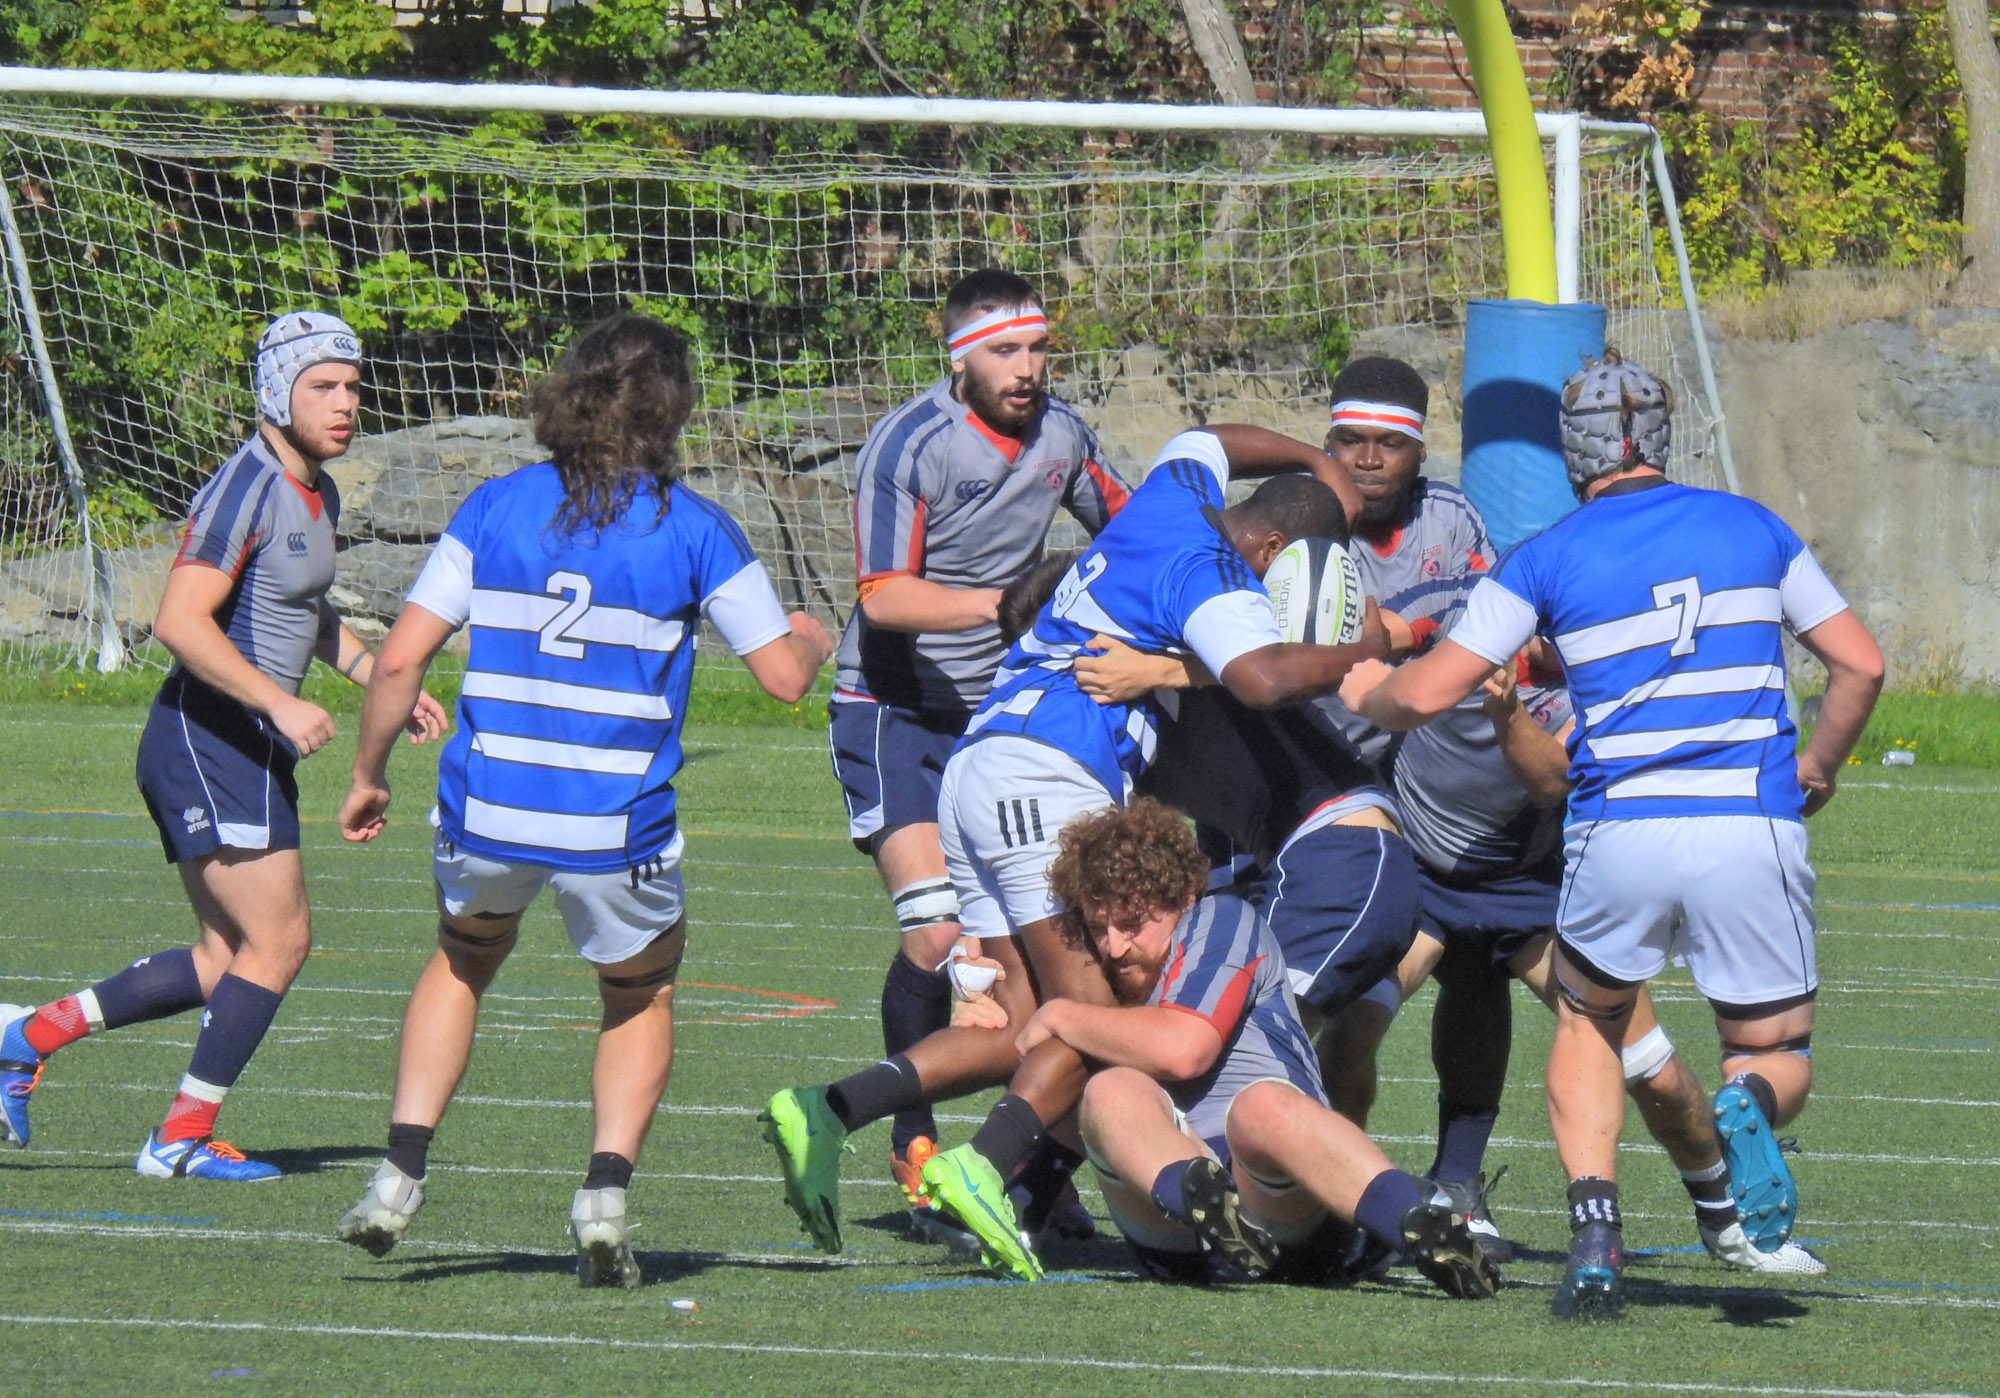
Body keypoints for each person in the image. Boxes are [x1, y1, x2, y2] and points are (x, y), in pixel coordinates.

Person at [764, 424, 1383, 1281]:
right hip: (1054, 776)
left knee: (1023, 1026)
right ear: (1273, 547)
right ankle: (983, 1165)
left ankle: (829, 1108)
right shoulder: (1212, 578)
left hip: (980, 761)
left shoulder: (1168, 498)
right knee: (1100, 1025)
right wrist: (1367, 647)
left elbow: (1207, 436)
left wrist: (1314, 461)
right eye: (1291, 576)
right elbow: (1265, 679)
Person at [1342, 352, 1883, 1318]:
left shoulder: (1546, 554)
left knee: (1591, 1019)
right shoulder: (1754, 525)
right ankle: (1747, 1109)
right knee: (1771, 1047)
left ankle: (1595, 1238)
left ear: (1571, 458)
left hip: (1618, 826)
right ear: (1665, 443)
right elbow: (1861, 666)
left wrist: (1365, 691)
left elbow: (1425, 693)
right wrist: (1820, 768)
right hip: (1745, 820)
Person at [331, 314, 833, 1288]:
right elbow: (780, 678)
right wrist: (810, 637)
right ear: (672, 410)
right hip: (611, 822)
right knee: (635, 991)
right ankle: (602, 1198)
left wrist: (367, 773)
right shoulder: (690, 525)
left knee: (463, 958)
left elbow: (398, 658)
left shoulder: (493, 507)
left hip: (489, 810)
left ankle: (398, 1174)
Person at [0, 312, 447, 1179]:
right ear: (277, 391)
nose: (346, 402)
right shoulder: (242, 485)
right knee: (278, 944)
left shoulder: (319, 487)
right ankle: (178, 1137)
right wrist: (279, 706)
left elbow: (299, 610)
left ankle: (26, 1037)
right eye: (323, 385)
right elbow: (177, 621)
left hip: (243, 747)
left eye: (353, 386)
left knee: (224, 957)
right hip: (207, 740)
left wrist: (374, 676)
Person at [827, 268, 1128, 1236]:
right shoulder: (910, 445)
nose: (1027, 370)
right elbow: (881, 595)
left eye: (1038, 350)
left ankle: (1035, 1167)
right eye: (1004, 352)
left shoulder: (1063, 437)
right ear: (955, 356)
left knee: (1032, 968)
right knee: (931, 936)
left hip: (1003, 723)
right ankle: (913, 1155)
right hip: (896, 708)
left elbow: (1128, 529)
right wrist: (1003, 608)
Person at [1383, 651, 1826, 1275]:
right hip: (1424, 877)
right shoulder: (1464, 629)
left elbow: (1553, 776)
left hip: (1530, 894)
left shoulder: (1613, 659)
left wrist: (1511, 712)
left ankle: (1733, 1224)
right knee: (1348, 1021)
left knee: (1656, 1070)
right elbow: (1385, 649)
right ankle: (1313, 1206)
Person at [1039, 799, 1495, 1298]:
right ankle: (1205, 1205)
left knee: (1260, 1108)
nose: (1114, 946)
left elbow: (1183, 1050)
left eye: (1131, 924)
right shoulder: (1094, 972)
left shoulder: (1220, 920)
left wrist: (1059, 1015)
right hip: (1167, 1224)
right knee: (1110, 1091)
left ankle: (1414, 1223)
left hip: (1279, 1208)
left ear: (1183, 898)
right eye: (1099, 927)